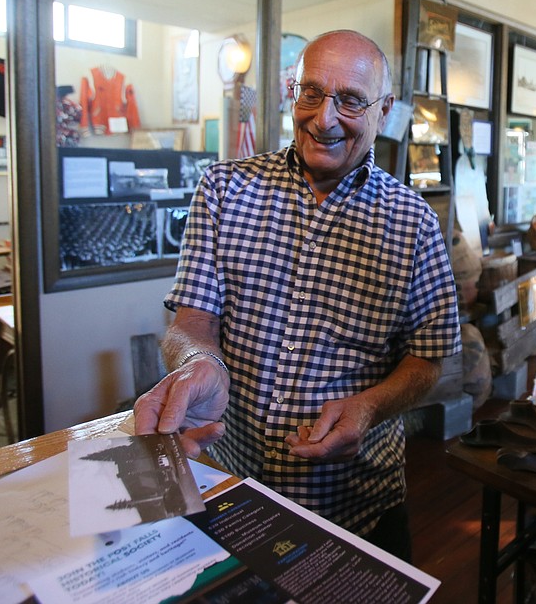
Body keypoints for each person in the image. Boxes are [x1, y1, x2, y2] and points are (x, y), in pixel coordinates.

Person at [134, 29, 460, 561]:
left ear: (385, 110)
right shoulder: (223, 191)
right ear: (293, 92)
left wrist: (369, 407)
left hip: (356, 506)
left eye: (351, 101)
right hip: (234, 487)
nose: (324, 118)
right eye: (311, 93)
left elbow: (427, 359)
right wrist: (198, 364)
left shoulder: (413, 223)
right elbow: (193, 324)